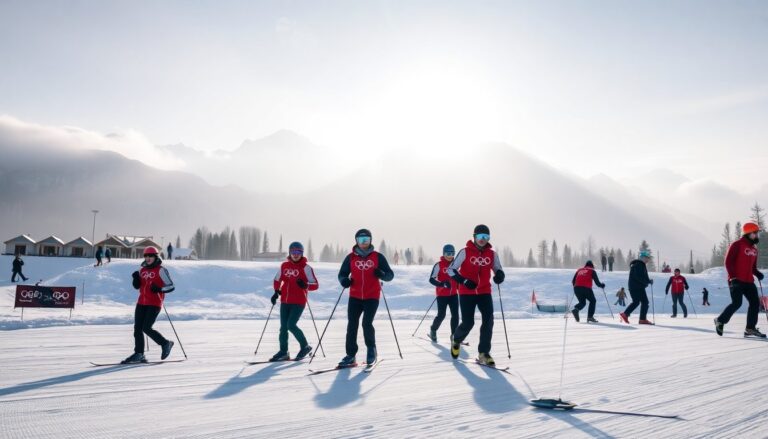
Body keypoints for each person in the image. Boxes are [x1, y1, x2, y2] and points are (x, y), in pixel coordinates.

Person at [448, 224, 504, 366]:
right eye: (480, 236)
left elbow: (497, 268)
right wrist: (464, 281)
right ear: (474, 237)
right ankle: (456, 340)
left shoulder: (492, 254)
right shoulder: (465, 252)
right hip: (467, 292)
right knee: (468, 322)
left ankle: (483, 353)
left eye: (486, 237)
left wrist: (499, 275)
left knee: (488, 320)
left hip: (484, 291)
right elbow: (451, 270)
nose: (482, 239)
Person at [337, 229, 394, 366]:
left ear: (370, 240)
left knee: (366, 323)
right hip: (355, 296)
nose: (364, 243)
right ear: (356, 241)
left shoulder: (377, 257)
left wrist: (381, 274)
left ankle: (371, 350)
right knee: (352, 325)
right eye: (361, 240)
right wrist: (344, 280)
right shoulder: (351, 257)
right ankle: (350, 355)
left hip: (372, 296)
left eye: (366, 240)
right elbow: (342, 274)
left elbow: (390, 275)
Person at [122, 246, 175, 363]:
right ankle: (139, 354)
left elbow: (171, 286)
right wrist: (135, 279)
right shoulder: (143, 270)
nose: (148, 258)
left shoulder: (161, 270)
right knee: (137, 329)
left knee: (146, 328)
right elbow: (137, 286)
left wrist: (159, 288)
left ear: (155, 256)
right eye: (146, 256)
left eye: (150, 255)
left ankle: (166, 343)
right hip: (141, 302)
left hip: (154, 303)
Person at [714, 222, 765, 338]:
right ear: (748, 233)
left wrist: (757, 273)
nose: (757, 236)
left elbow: (753, 268)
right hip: (736, 280)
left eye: (757, 233)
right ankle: (720, 320)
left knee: (755, 303)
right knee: (737, 303)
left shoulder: (754, 249)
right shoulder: (737, 245)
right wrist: (733, 277)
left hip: (749, 281)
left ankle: (750, 328)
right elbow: (728, 262)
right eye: (755, 233)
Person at [269, 242, 318, 361]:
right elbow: (277, 279)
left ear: (302, 253)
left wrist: (305, 285)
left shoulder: (306, 268)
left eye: (298, 252)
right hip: (285, 300)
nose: (295, 255)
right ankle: (283, 351)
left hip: (299, 301)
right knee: (283, 327)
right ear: (290, 253)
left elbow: (315, 285)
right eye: (293, 252)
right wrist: (276, 291)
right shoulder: (284, 266)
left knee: (291, 325)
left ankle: (305, 346)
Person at [427, 244, 460, 342]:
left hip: (454, 294)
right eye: (448, 253)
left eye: (452, 253)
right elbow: (431, 279)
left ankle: (454, 335)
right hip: (442, 295)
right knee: (442, 315)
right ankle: (433, 329)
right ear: (443, 253)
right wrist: (442, 284)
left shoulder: (456, 265)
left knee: (455, 315)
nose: (450, 256)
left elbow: (459, 277)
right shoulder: (439, 265)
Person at [619, 250, 654, 325]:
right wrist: (647, 281)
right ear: (643, 257)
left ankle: (629, 315)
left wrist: (648, 280)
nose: (648, 260)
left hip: (636, 287)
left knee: (639, 302)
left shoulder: (639, 264)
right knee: (642, 302)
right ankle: (641, 319)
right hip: (637, 287)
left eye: (648, 258)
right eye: (647, 258)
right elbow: (637, 277)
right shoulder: (639, 264)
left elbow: (642, 276)